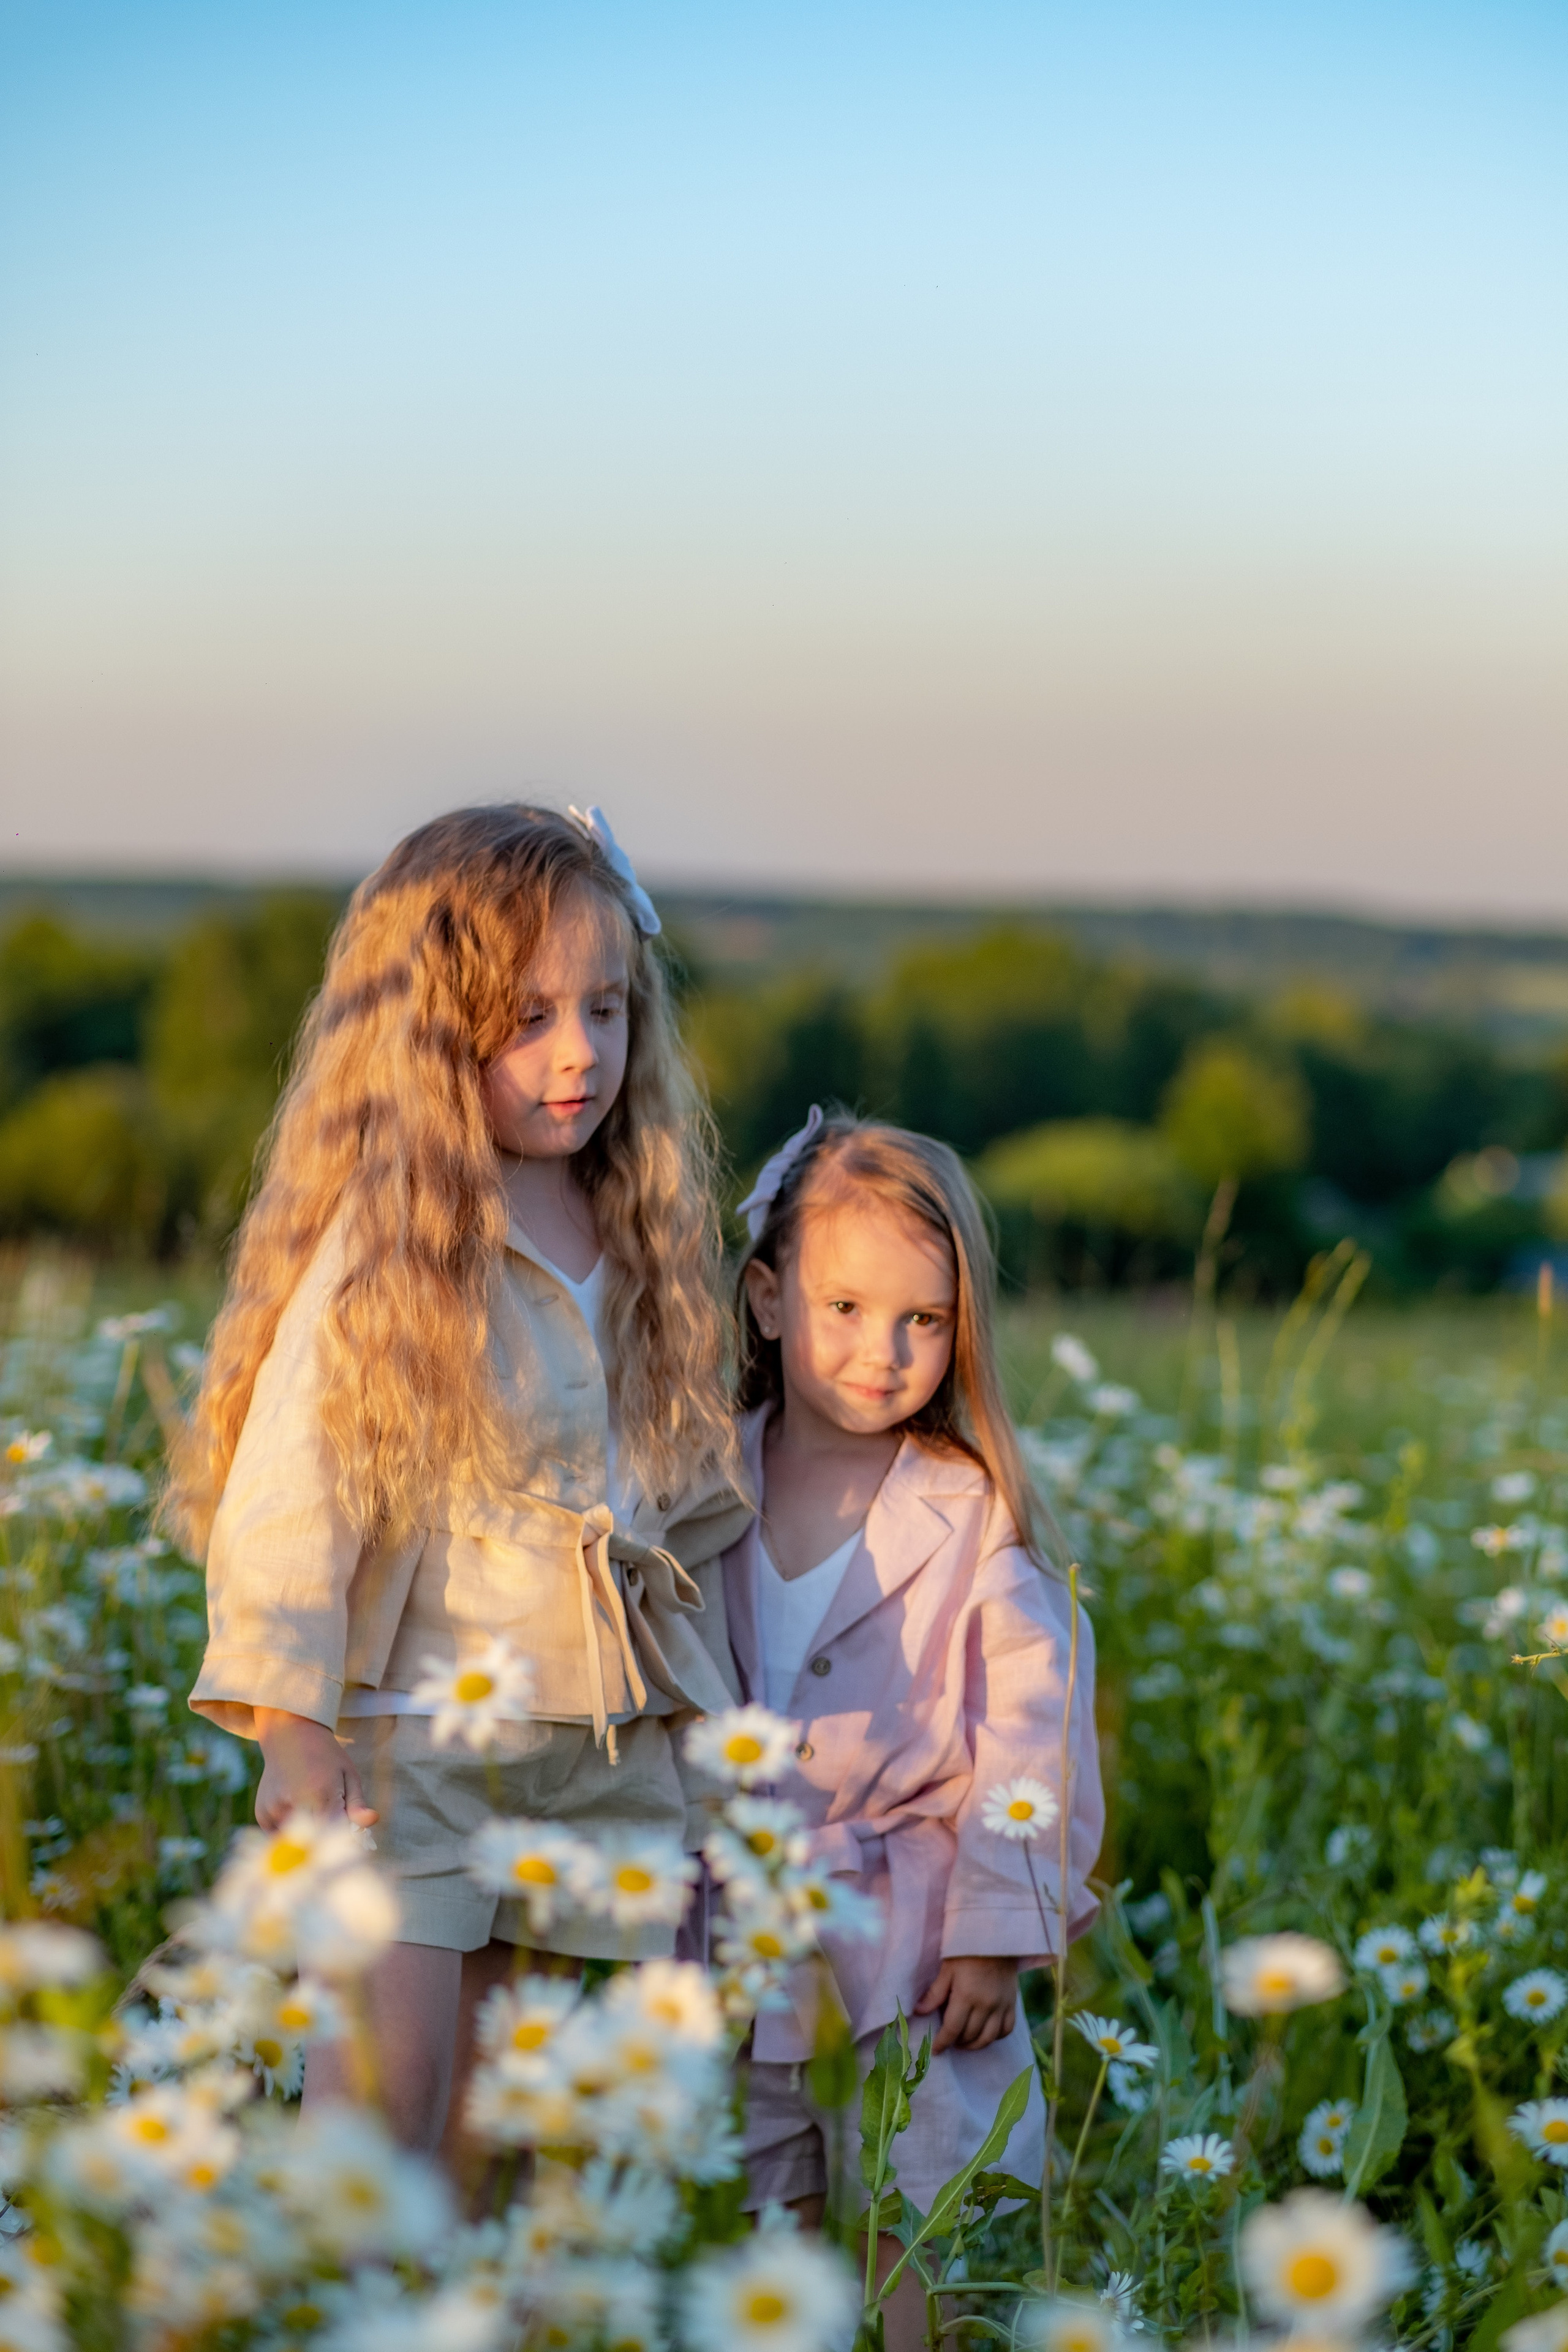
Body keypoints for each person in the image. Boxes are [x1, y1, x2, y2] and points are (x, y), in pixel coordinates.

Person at [169, 803, 750, 2162]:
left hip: (591, 1749)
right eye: (527, 1019)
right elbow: (292, 1491)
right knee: (386, 2101)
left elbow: (683, 1506)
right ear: (432, 1037)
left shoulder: (636, 1227)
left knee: (513, 2119)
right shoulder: (399, 1238)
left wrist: (712, 1731)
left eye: (606, 1010)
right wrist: (289, 1728)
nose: (580, 1056)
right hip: (412, 1747)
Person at [722, 1111, 1102, 2347]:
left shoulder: (969, 1511)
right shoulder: (696, 1480)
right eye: (843, 1309)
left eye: (920, 1321)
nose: (880, 1352)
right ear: (767, 1301)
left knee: (911, 2223)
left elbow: (1030, 1739)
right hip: (725, 1934)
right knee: (747, 2226)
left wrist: (996, 1933)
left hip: (915, 1950)